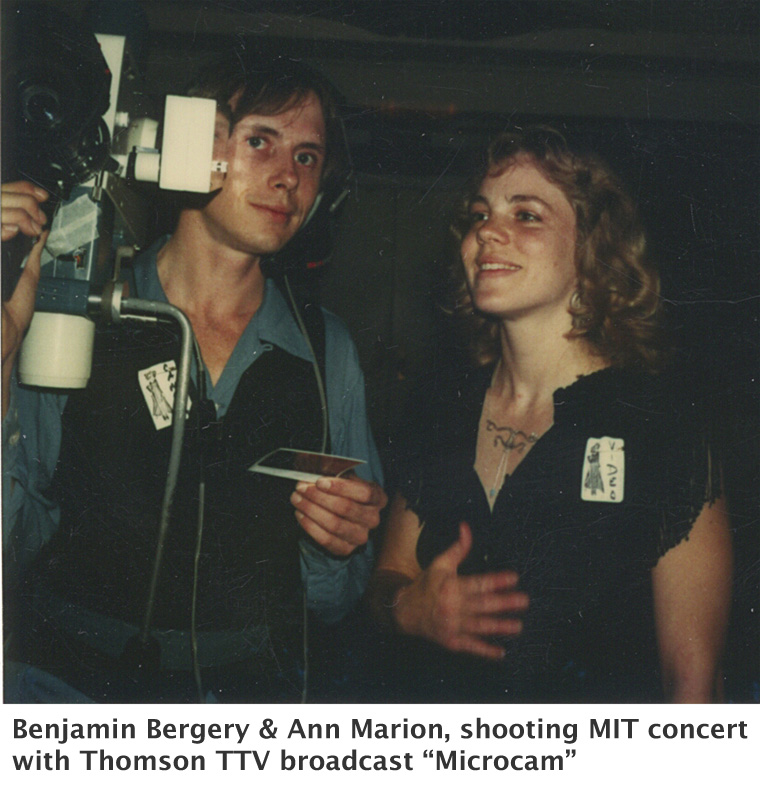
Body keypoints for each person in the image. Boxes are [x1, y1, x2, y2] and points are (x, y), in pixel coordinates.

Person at [2, 52, 386, 703]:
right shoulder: (77, 314)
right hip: (68, 688)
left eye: (307, 157)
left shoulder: (327, 351)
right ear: (187, 144)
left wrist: (336, 548)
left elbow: (335, 600)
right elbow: (15, 539)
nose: (287, 176)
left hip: (242, 701)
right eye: (260, 140)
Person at [370, 126, 732, 703]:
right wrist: (407, 609)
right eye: (479, 213)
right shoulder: (442, 407)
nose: (488, 230)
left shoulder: (660, 428)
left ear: (592, 248)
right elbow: (387, 578)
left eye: (527, 215)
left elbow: (690, 685)